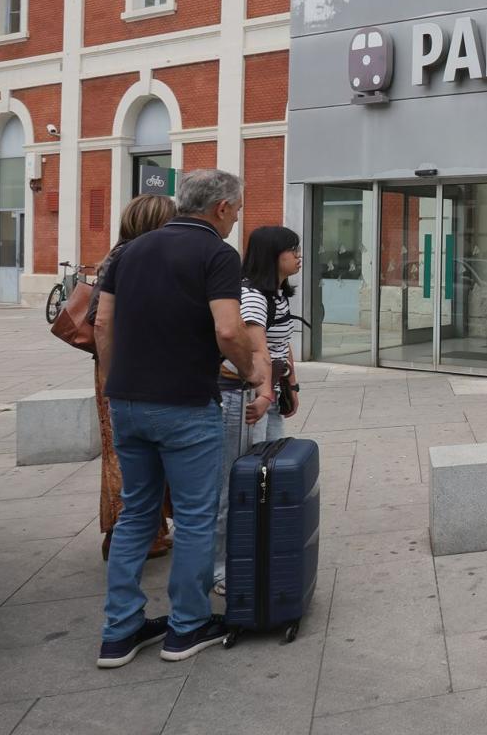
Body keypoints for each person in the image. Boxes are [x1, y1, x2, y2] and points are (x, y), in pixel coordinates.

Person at [93, 169, 268, 668]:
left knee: (137, 514)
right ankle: (186, 626)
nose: (236, 219)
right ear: (220, 209)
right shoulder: (216, 253)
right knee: (192, 517)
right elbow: (229, 328)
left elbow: (103, 321)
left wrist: (113, 381)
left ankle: (119, 631)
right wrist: (252, 369)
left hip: (126, 400)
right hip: (186, 404)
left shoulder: (128, 252)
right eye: (236, 209)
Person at [213, 225, 303, 595]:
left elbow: (281, 348)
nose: (298, 256)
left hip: (269, 393)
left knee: (267, 473)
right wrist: (264, 394)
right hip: (244, 397)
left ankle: (255, 551)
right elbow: (255, 352)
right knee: (235, 482)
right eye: (292, 250)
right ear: (273, 255)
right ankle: (221, 567)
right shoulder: (252, 296)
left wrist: (291, 386)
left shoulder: (278, 295)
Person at [91, 195, 178, 562]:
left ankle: (150, 531)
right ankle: (125, 533)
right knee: (125, 455)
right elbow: (102, 320)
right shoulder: (129, 259)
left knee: (136, 453)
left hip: (120, 367)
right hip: (123, 367)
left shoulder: (121, 254)